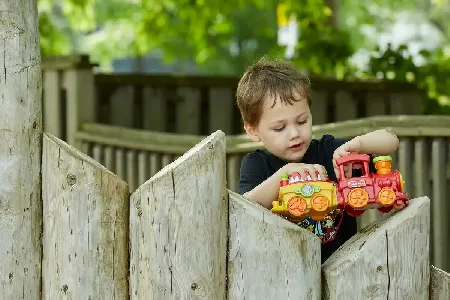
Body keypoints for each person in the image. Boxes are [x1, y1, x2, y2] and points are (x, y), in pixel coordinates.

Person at [236, 58, 399, 263]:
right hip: (284, 272)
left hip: (344, 267)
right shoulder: (257, 163)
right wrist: (284, 175)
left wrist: (359, 144)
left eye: (302, 121)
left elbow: (391, 140)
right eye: (280, 128)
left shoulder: (329, 150)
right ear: (253, 130)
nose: (294, 133)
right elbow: (243, 207)